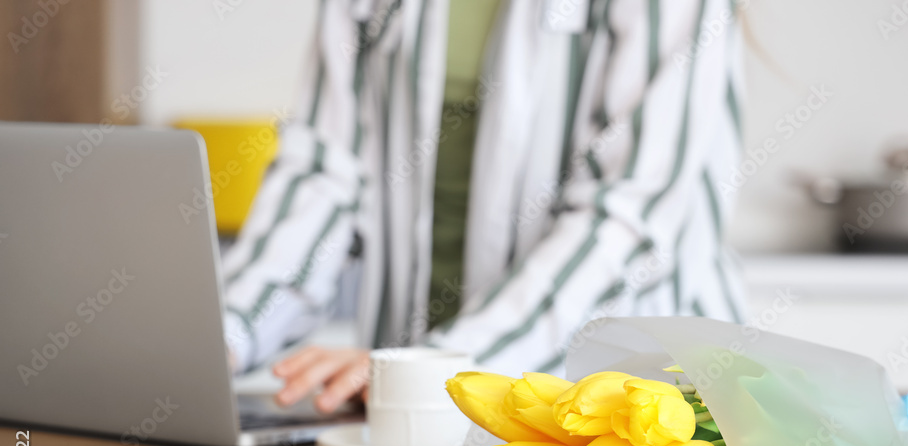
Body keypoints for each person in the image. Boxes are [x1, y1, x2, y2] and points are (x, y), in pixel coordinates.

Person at [223, 0, 745, 414]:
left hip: (636, 409)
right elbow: (325, 174)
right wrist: (229, 334)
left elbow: (627, 216)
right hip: (408, 408)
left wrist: (436, 369)